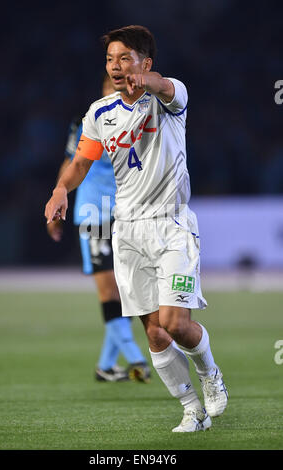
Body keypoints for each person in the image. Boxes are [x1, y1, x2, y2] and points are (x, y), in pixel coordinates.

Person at [45, 25, 228, 432]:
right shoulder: (99, 113)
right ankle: (190, 409)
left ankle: (211, 376)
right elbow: (80, 164)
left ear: (145, 62)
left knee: (175, 323)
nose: (115, 66)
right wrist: (60, 189)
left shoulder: (169, 98)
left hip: (171, 225)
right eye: (110, 59)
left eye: (124, 58)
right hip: (127, 231)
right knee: (155, 333)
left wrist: (148, 81)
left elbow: (164, 87)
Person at [47, 73, 151, 383]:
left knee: (130, 290)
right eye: (110, 88)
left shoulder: (142, 121)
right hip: (94, 213)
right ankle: (135, 360)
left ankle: (106, 366)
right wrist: (57, 199)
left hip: (128, 213)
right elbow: (71, 163)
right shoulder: (89, 123)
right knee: (109, 291)